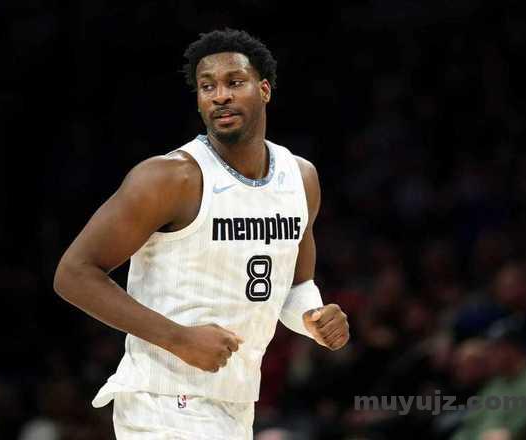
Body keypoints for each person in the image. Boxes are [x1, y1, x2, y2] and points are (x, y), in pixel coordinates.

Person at [53, 28, 350, 439]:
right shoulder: (169, 178)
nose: (219, 96)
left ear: (264, 90)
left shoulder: (300, 178)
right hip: (163, 400)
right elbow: (73, 273)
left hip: (236, 400)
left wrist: (313, 317)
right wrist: (178, 339)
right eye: (207, 86)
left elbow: (294, 286)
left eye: (234, 82)